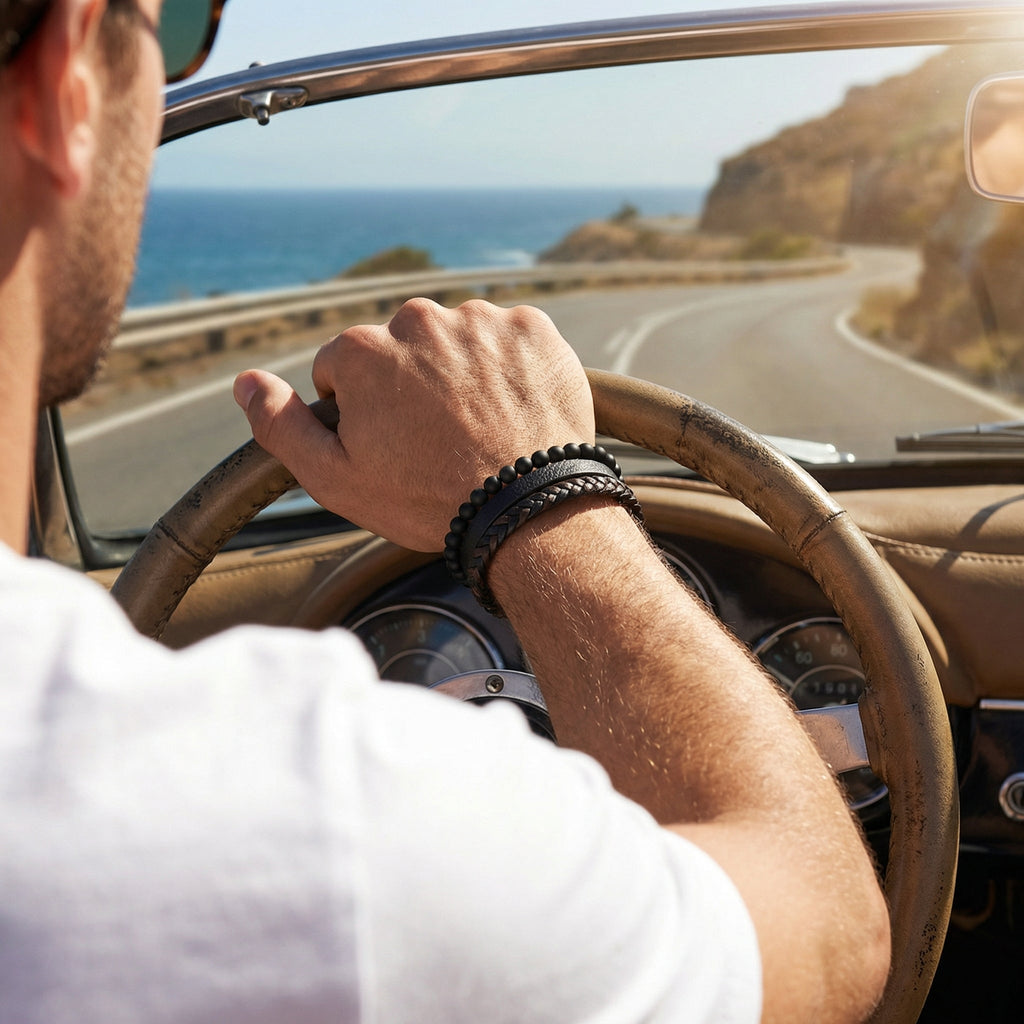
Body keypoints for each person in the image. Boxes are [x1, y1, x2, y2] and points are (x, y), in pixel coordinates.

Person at [0, 1, 890, 1021]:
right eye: (180, 20)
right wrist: (537, 492)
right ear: (71, 78)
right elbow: (824, 938)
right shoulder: (340, 840)